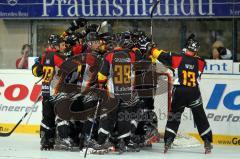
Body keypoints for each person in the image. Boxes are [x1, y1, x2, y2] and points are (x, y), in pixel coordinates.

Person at [148, 37, 213, 154]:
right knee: (200, 117)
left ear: (186, 47)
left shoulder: (176, 58)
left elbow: (159, 55)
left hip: (180, 92)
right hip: (194, 92)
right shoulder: (202, 62)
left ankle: (168, 141)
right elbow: (193, 61)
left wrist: (152, 48)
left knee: (174, 117)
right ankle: (207, 141)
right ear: (196, 50)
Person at [32, 34, 66, 150]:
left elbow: (37, 71)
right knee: (60, 116)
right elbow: (69, 70)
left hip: (45, 90)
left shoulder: (44, 56)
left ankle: (46, 140)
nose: (64, 47)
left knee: (47, 117)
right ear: (55, 46)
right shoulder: (57, 57)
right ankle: (63, 138)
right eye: (62, 45)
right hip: (55, 92)